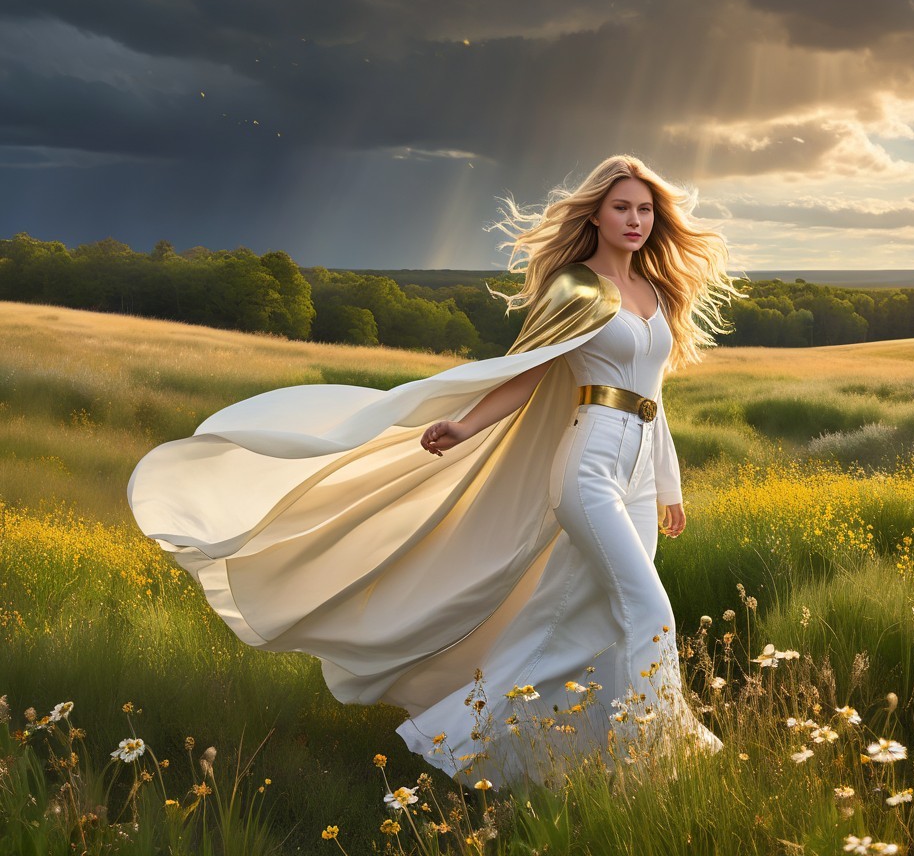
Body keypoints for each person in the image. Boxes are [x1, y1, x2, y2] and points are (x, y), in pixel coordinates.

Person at [127, 154, 737, 787]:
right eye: (622, 207)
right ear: (597, 215)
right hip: (589, 470)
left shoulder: (656, 293)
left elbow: (652, 398)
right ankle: (660, 765)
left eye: (645, 209)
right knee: (651, 613)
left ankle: (537, 752)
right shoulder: (576, 288)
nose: (635, 220)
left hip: (639, 472)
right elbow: (526, 374)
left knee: (595, 615)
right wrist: (467, 425)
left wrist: (669, 486)